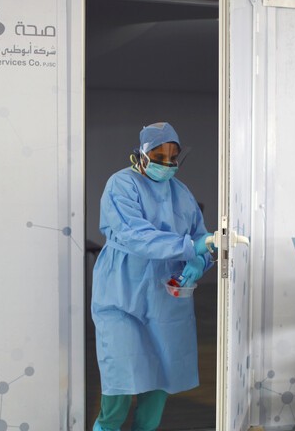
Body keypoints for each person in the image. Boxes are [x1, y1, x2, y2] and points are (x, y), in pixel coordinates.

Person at [91, 122, 214, 431]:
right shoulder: (121, 185)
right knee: (120, 380)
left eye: (173, 157)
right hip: (121, 295)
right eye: (160, 157)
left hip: (165, 300)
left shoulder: (181, 192)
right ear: (142, 155)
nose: (167, 164)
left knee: (159, 379)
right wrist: (189, 247)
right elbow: (135, 235)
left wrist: (200, 260)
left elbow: (200, 236)